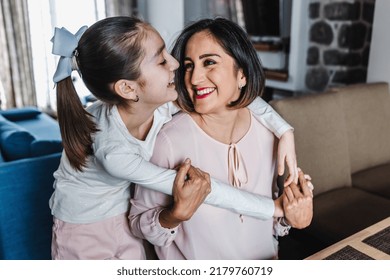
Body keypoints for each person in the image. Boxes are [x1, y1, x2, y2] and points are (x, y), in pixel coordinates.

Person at [49, 16, 299, 260]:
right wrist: (275, 208)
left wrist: (284, 130)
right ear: (128, 88)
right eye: (161, 61)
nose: (177, 65)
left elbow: (232, 91)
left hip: (122, 215)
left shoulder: (160, 104)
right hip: (81, 228)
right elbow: (208, 190)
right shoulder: (115, 153)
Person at [129, 18, 313, 260]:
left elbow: (266, 221)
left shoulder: (269, 134)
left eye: (209, 63)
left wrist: (290, 214)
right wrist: (174, 215)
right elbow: (138, 225)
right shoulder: (168, 141)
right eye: (188, 66)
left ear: (242, 75)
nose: (194, 79)